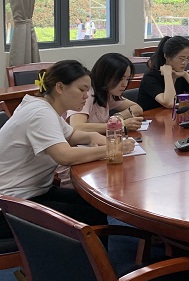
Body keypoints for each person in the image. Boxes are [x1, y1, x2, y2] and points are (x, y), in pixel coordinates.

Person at [0, 60, 135, 239]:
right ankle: (88, 258)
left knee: (95, 205)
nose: (86, 96)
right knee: (91, 217)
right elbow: (64, 156)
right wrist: (113, 148)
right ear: (60, 87)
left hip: (33, 192)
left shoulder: (45, 107)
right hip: (11, 203)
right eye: (82, 89)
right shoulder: (40, 113)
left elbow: (71, 135)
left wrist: (92, 137)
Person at [67, 53, 143, 133]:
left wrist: (118, 117)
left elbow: (137, 108)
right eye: (120, 79)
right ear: (105, 76)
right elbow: (77, 126)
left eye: (127, 79)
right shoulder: (87, 93)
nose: (125, 84)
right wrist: (119, 125)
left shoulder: (107, 92)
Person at [137, 35, 189, 112]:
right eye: (181, 58)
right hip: (151, 117)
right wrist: (167, 75)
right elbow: (169, 103)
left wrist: (186, 75)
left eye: (188, 58)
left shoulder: (180, 73)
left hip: (172, 116)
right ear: (166, 56)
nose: (184, 63)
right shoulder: (150, 76)